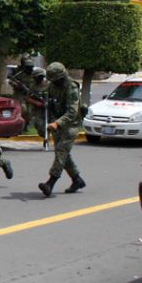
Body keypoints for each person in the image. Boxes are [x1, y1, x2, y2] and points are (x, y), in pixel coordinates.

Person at [38, 62, 86, 196]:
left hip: (71, 124)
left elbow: (72, 112)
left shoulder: (71, 87)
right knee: (63, 154)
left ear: (62, 77)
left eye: (56, 80)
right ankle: (77, 179)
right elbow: (49, 100)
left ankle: (50, 183)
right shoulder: (52, 86)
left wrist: (57, 123)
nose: (54, 82)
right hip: (57, 124)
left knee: (61, 151)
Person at [8, 54, 35, 131]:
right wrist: (16, 85)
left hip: (30, 95)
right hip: (19, 94)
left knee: (29, 112)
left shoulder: (33, 74)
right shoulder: (18, 72)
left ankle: (26, 125)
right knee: (23, 109)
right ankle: (20, 126)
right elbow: (11, 81)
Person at [29, 67, 50, 142]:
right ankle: (45, 135)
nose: (39, 78)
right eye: (38, 77)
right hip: (39, 110)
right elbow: (28, 98)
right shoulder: (33, 86)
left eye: (41, 77)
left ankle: (48, 137)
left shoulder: (48, 85)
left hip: (50, 109)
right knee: (38, 125)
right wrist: (37, 103)